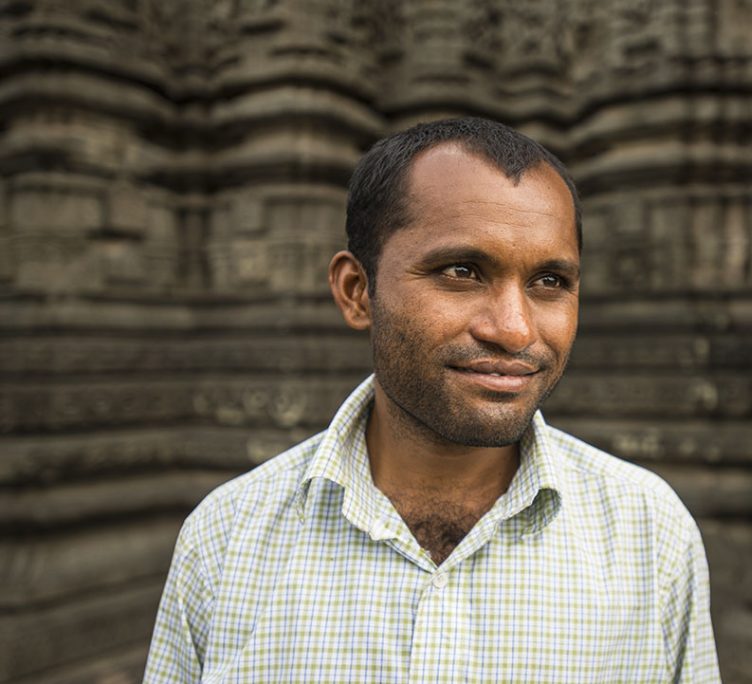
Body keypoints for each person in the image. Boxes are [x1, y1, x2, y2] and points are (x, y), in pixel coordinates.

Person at [144, 117, 720, 682]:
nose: (515, 330)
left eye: (549, 282)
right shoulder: (224, 538)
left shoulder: (651, 534)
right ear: (357, 292)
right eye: (462, 271)